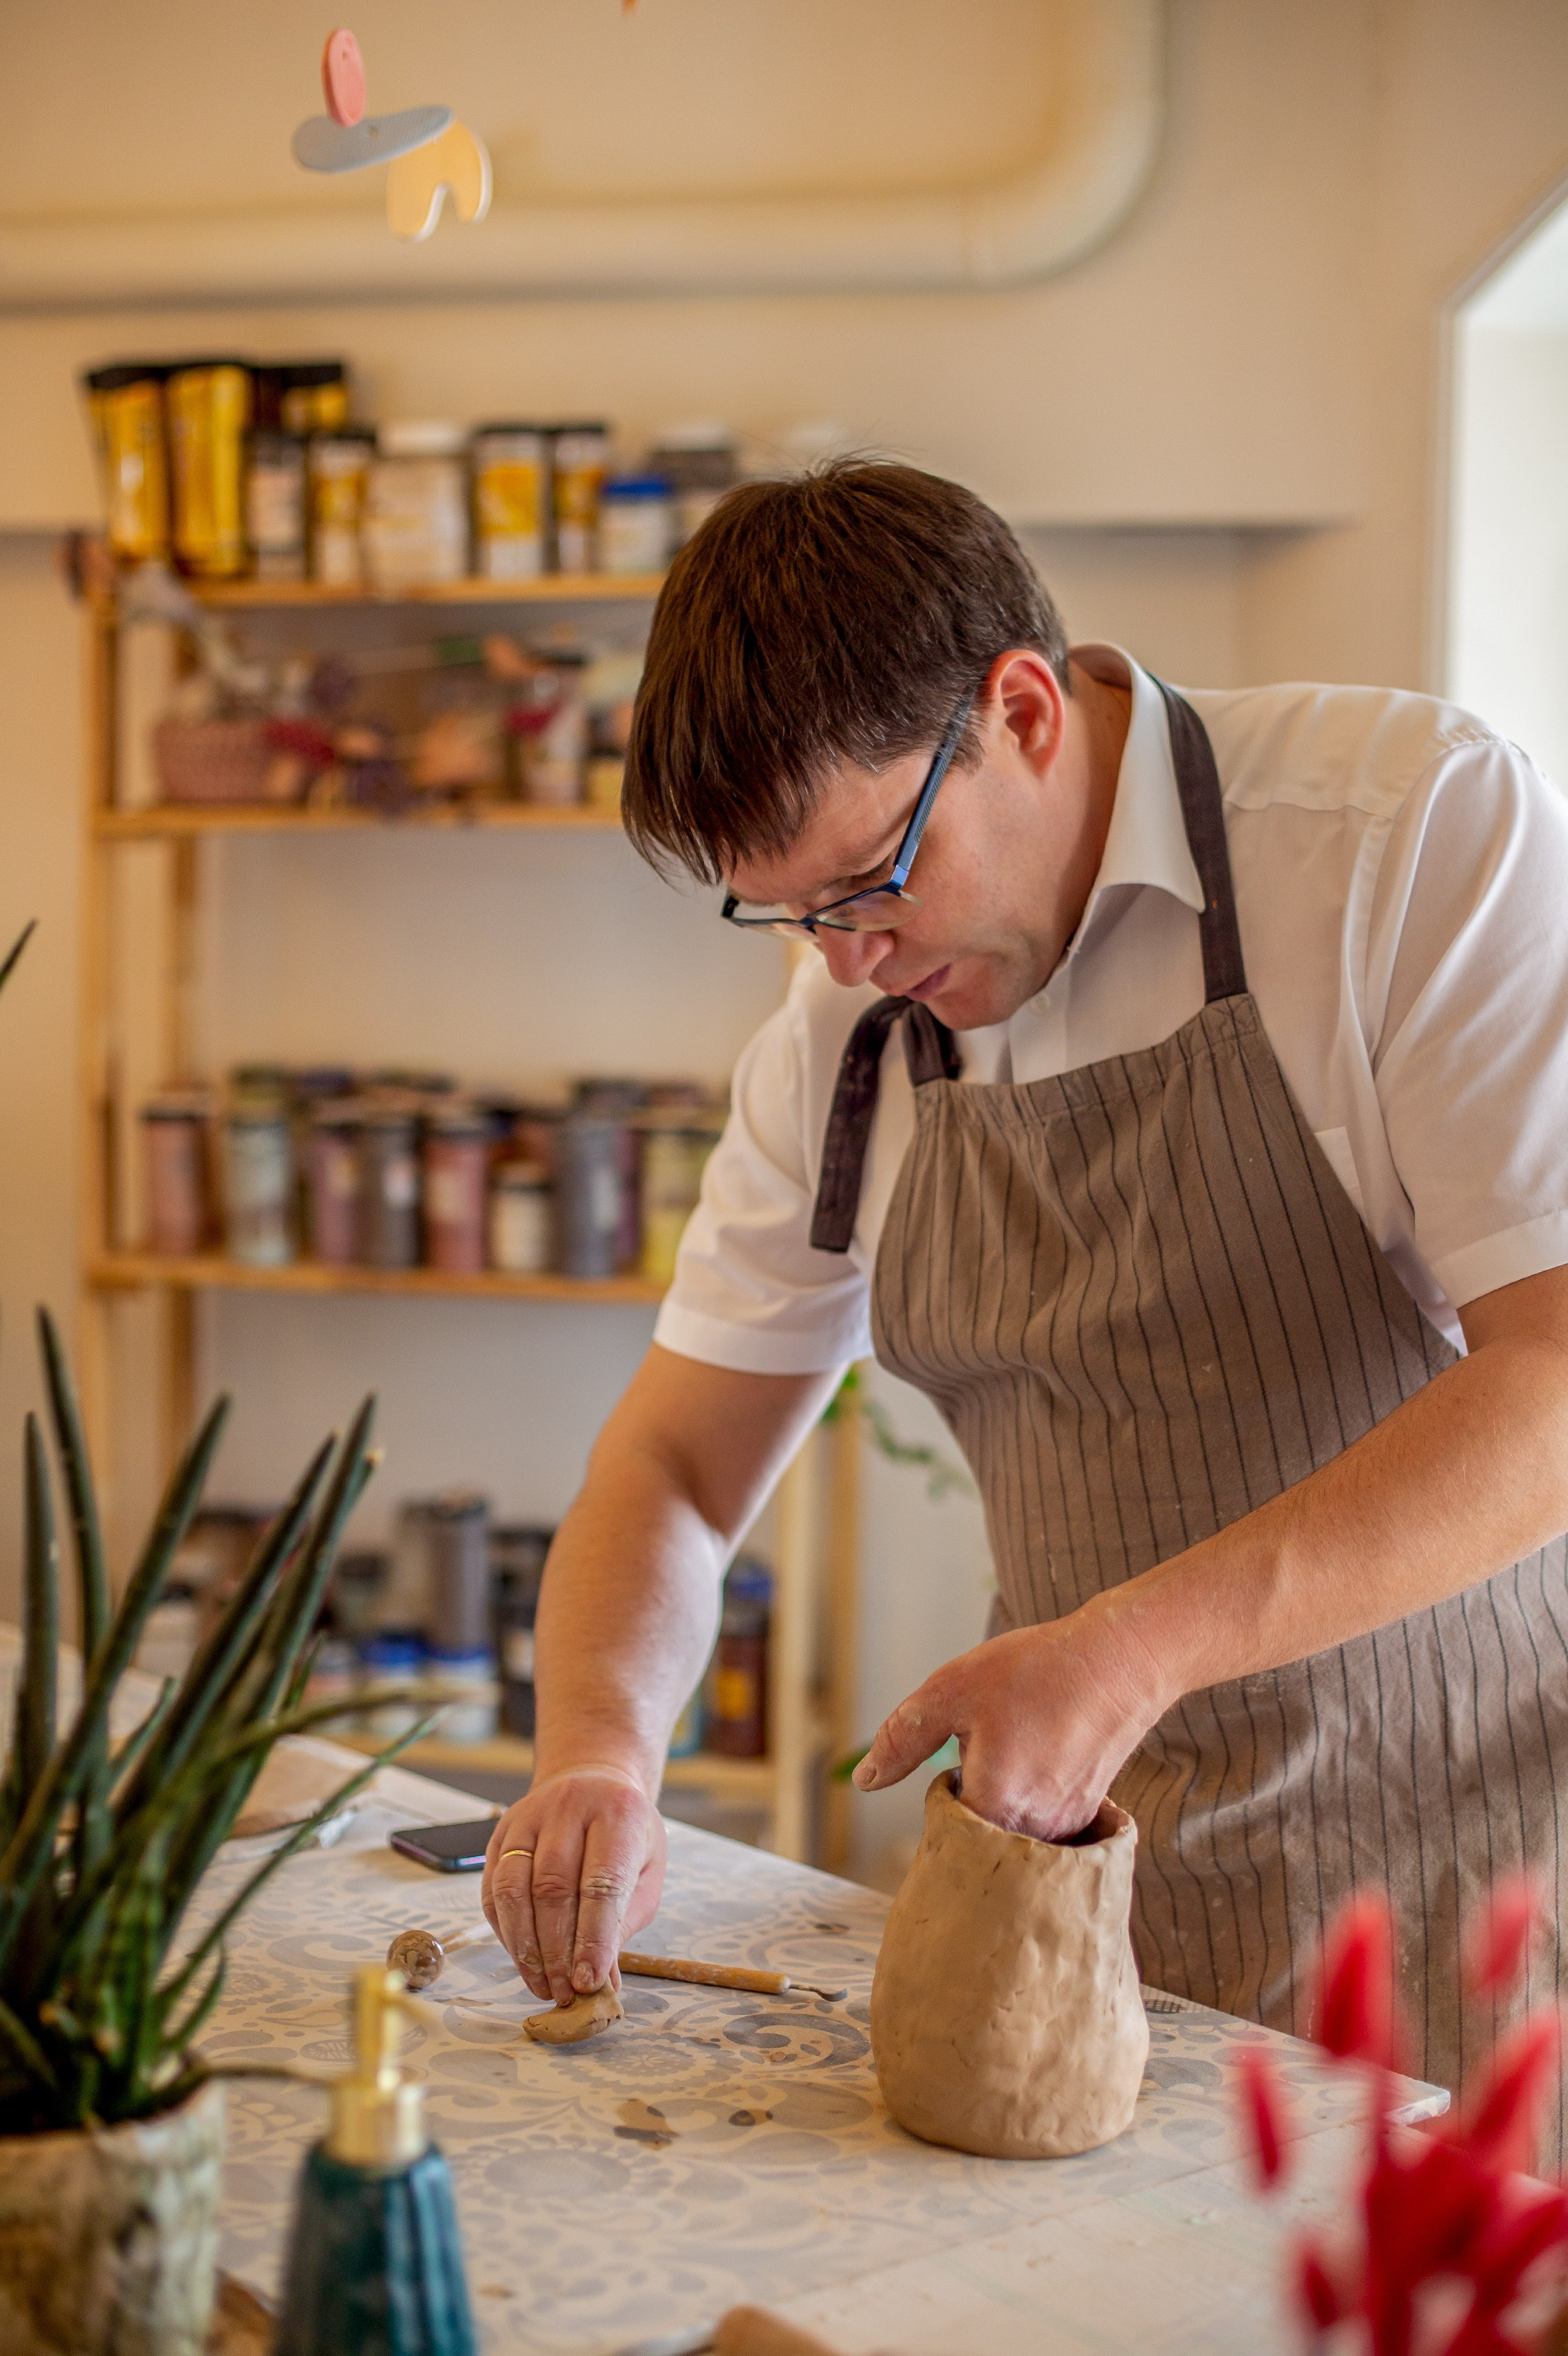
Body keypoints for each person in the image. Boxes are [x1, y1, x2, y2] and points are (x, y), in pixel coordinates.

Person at [483, 459, 1568, 2152]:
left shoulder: (1398, 835)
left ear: (1020, 709)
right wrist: (599, 1749)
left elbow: (1557, 1375)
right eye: (789, 911)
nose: (839, 957)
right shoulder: (844, 1032)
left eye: (865, 882)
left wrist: (1130, 1645)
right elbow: (676, 1473)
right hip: (1085, 1914)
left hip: (1465, 1896)